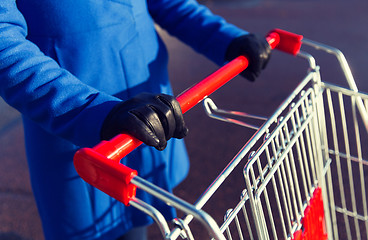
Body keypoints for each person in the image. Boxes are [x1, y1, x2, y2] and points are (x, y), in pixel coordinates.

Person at [0, 0, 271, 239]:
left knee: (140, 220)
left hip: (150, 116)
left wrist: (227, 39)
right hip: (74, 128)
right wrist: (91, 110)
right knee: (91, 227)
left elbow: (167, 3)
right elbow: (4, 44)